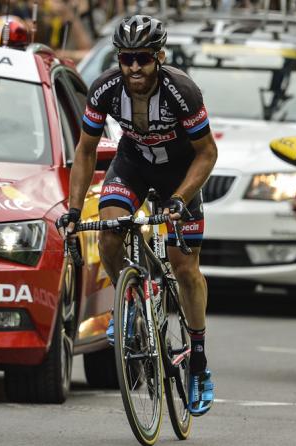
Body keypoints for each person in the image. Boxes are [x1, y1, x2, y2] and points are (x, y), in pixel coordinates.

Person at [56, 15, 217, 416]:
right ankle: (130, 297)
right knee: (110, 231)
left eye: (143, 58)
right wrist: (74, 211)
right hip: (132, 165)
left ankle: (197, 358)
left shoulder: (182, 92)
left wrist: (179, 199)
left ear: (159, 57)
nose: (134, 67)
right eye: (126, 58)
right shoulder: (106, 88)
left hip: (180, 174)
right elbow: (86, 151)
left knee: (185, 270)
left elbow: (207, 153)